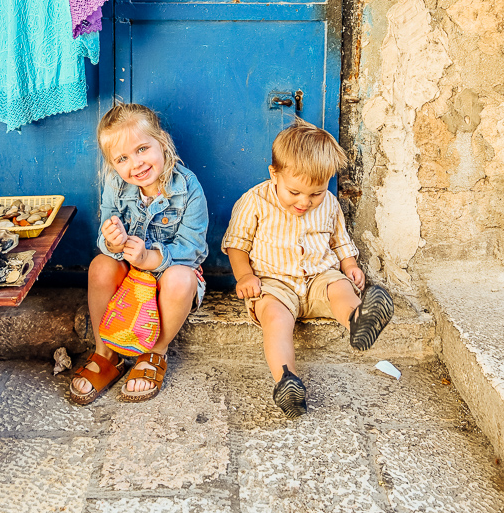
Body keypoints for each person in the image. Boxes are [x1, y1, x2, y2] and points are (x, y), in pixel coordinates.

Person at [222, 118, 394, 419]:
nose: (305, 202)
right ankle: (287, 379)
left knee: (339, 286)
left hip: (318, 276)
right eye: (295, 193)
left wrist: (350, 265)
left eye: (315, 193)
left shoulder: (328, 203)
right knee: (275, 320)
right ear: (274, 173)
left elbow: (339, 239)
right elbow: (237, 243)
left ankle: (358, 320)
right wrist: (245, 276)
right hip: (273, 283)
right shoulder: (254, 201)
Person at [69, 102, 208, 405]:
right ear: (112, 164)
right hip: (129, 278)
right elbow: (106, 238)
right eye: (122, 158)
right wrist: (114, 242)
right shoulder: (115, 184)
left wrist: (150, 259)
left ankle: (153, 353)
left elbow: (192, 248)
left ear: (162, 141)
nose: (136, 164)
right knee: (101, 265)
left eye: (143, 149)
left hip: (168, 275)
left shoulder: (188, 187)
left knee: (181, 279)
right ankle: (107, 355)